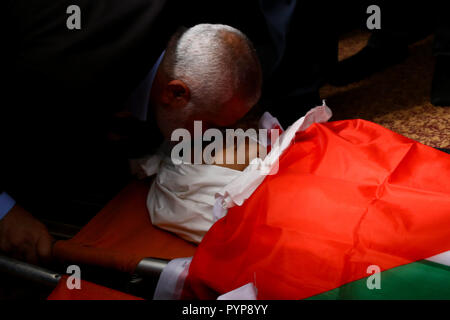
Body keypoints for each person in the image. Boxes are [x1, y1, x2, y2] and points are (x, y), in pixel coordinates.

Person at [0, 22, 262, 264]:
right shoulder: (54, 75)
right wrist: (5, 212)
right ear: (175, 92)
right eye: (210, 126)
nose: (213, 138)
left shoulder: (172, 39)